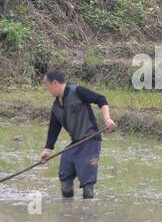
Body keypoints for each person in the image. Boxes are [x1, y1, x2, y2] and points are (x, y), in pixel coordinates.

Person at [40, 70, 115, 199]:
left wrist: (107, 119)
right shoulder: (56, 106)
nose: (47, 90)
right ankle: (68, 212)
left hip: (90, 140)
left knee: (87, 184)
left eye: (47, 86)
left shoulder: (77, 92)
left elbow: (101, 99)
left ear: (55, 83)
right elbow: (54, 128)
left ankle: (88, 213)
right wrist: (47, 149)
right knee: (65, 177)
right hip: (76, 142)